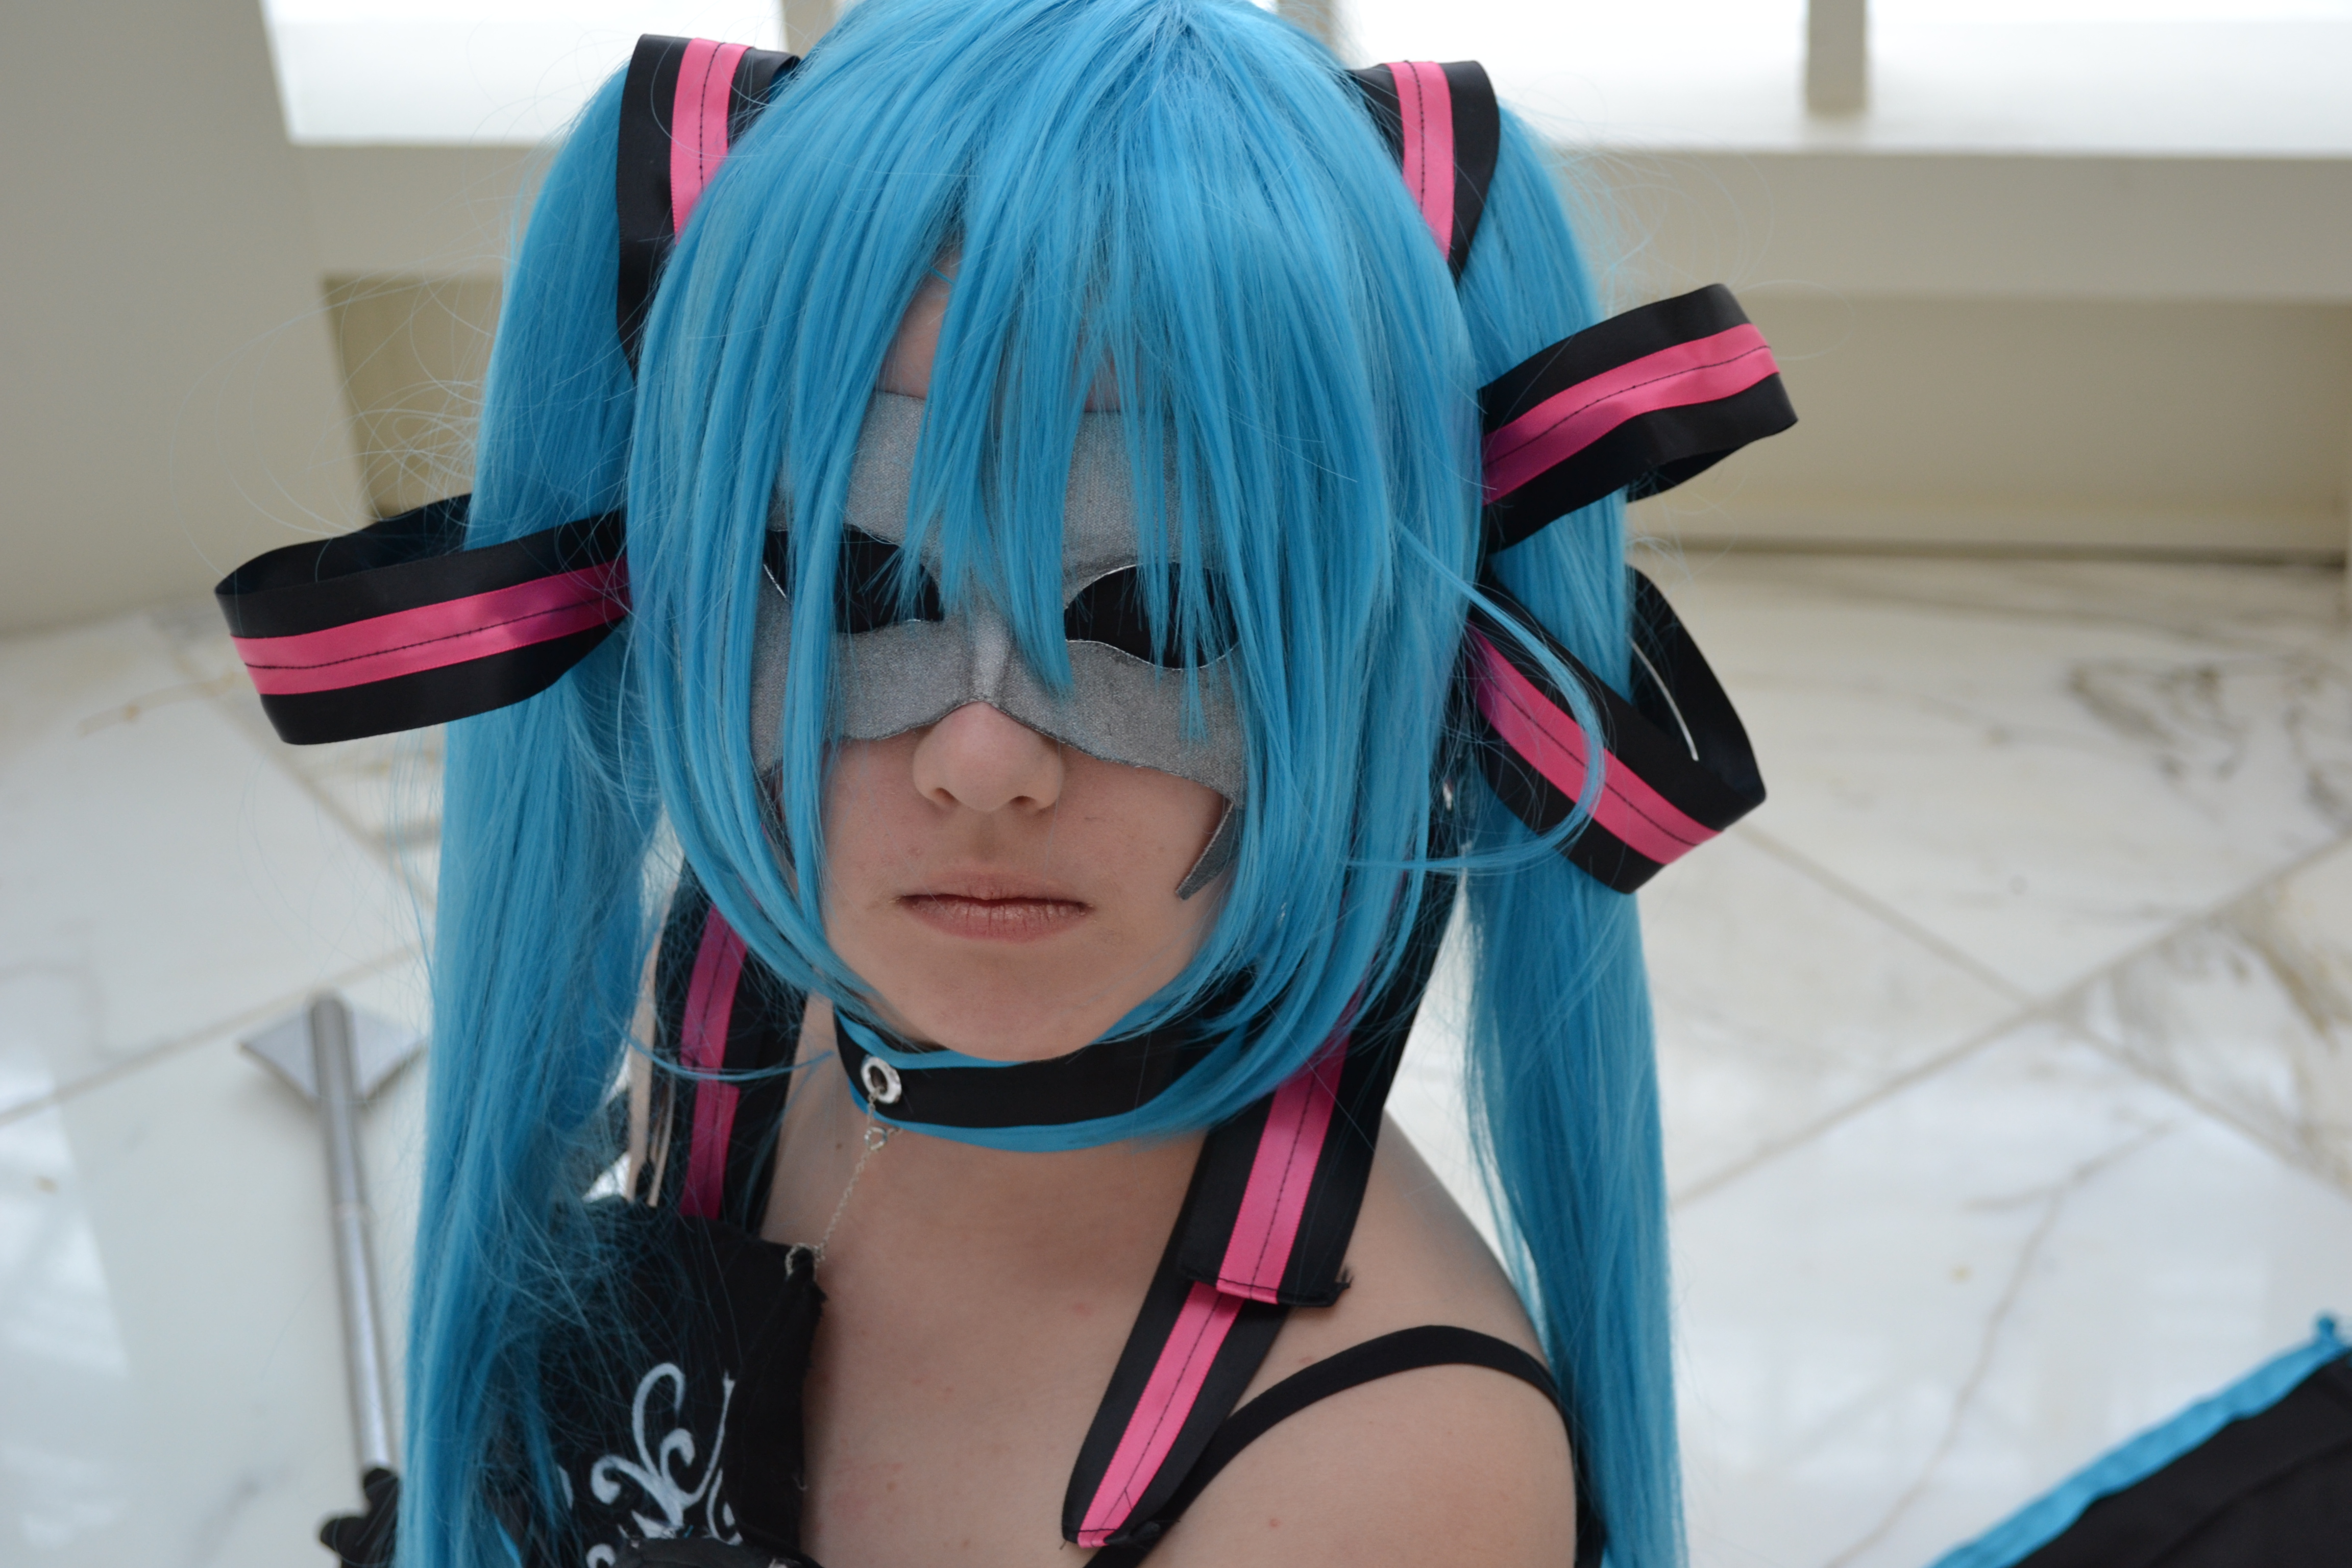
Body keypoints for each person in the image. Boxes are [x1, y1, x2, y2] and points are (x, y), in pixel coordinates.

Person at [214, 2, 1791, 1563]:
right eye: (849, 585)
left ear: (1394, 653)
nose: (982, 762)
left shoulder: (1374, 1489)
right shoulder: (753, 998)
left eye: (1166, 609)